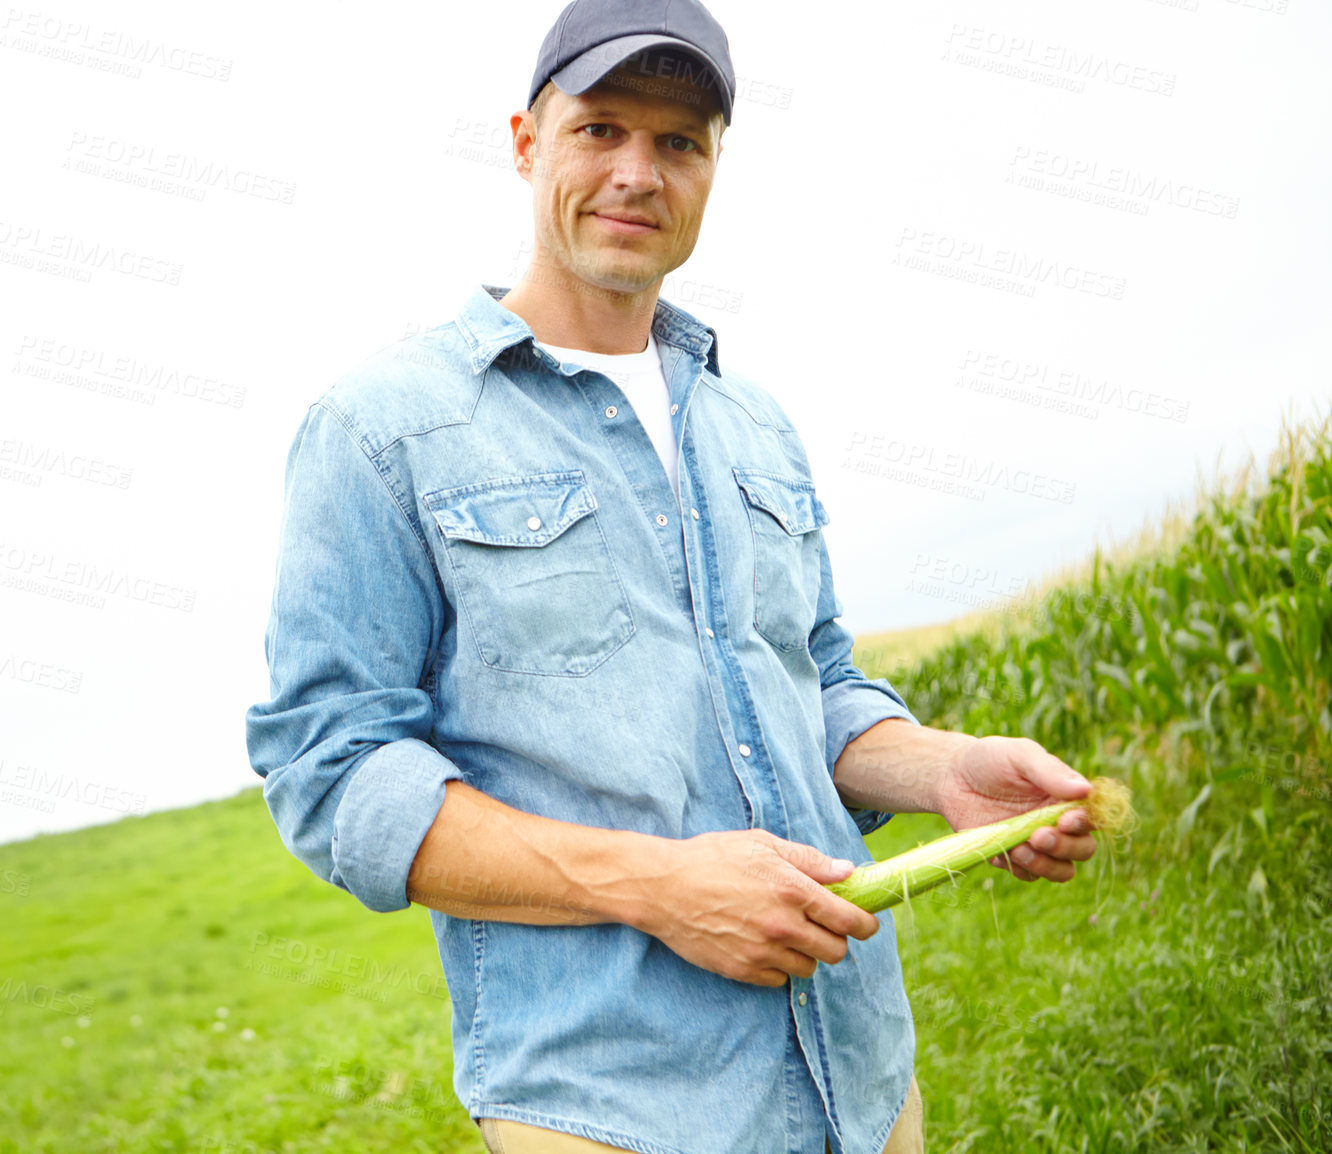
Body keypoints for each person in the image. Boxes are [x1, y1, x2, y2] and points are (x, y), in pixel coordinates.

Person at [244, 2, 1100, 1151]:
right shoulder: (380, 429)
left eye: (679, 142)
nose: (636, 172)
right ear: (522, 140)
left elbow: (813, 688)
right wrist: (652, 883)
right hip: (614, 1106)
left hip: (861, 1077)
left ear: (712, 168)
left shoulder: (751, 424)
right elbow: (335, 772)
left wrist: (945, 768)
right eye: (599, 129)